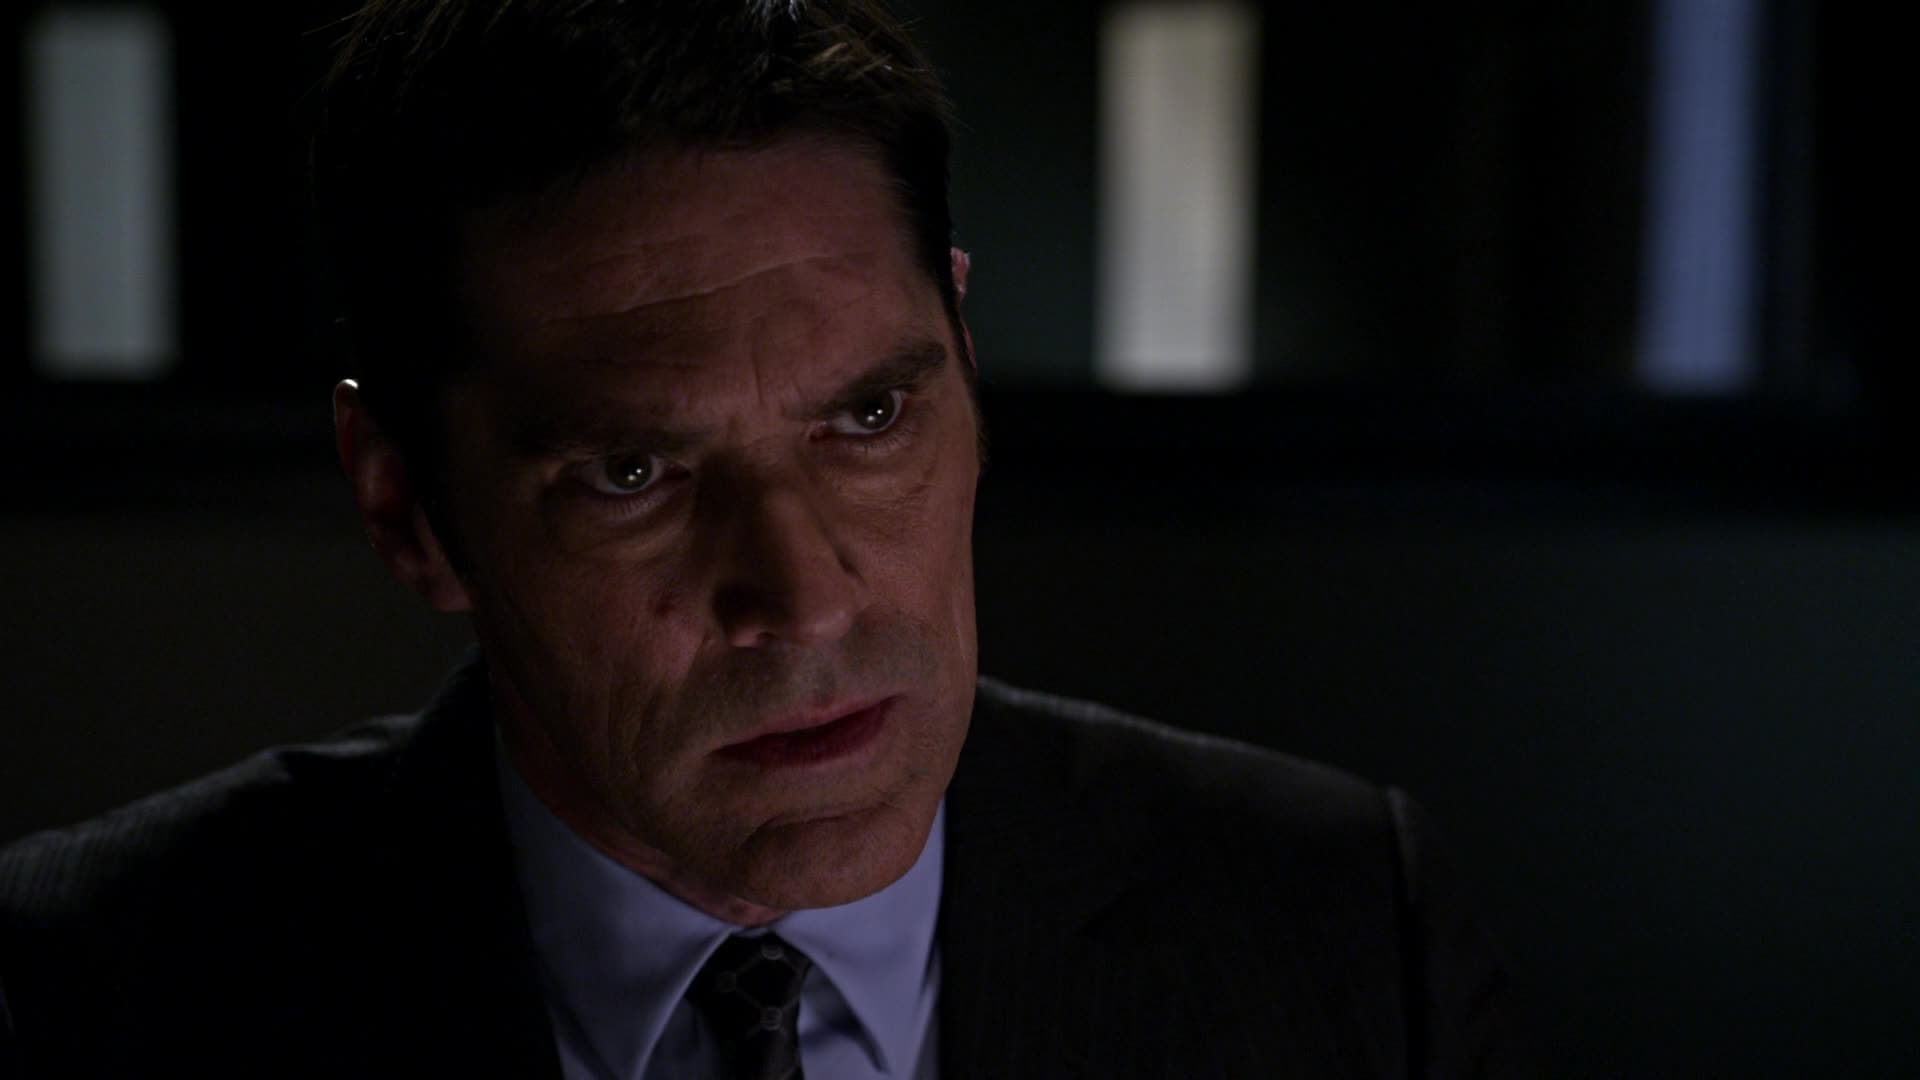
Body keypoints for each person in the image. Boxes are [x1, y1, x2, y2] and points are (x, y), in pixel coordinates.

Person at [0, 1, 1525, 1076]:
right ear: (408, 507)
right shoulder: (79, 995)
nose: (800, 601)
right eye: (634, 472)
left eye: (868, 416)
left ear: (966, 359)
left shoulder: (1336, 927)